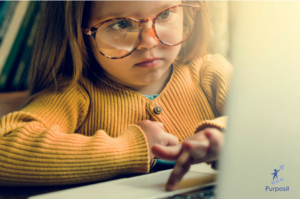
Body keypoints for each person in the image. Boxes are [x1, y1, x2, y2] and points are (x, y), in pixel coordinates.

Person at [0, 1, 232, 186]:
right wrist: (130, 148)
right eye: (121, 24)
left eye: (164, 14)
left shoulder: (209, 73)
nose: (149, 42)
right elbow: (5, 148)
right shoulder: (74, 94)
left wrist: (226, 136)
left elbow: (266, 118)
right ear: (81, 35)